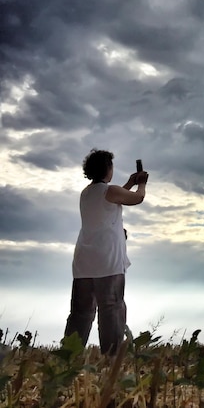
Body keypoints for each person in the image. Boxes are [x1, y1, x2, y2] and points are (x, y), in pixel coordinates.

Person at [64, 149, 148, 354]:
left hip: (84, 260)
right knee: (111, 309)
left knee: (81, 312)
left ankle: (68, 355)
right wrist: (142, 183)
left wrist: (128, 184)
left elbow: (111, 201)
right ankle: (111, 358)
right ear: (107, 169)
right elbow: (137, 198)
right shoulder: (110, 192)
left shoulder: (87, 192)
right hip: (107, 259)